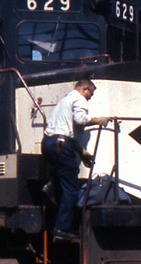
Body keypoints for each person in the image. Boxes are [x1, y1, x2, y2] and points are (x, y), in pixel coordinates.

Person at [41, 79, 111, 241]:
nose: (90, 98)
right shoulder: (80, 99)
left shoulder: (64, 100)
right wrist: (98, 120)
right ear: (84, 89)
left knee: (63, 169)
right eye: (90, 94)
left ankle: (51, 185)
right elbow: (80, 119)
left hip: (48, 143)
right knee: (71, 189)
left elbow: (65, 129)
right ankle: (62, 228)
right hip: (61, 145)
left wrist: (80, 151)